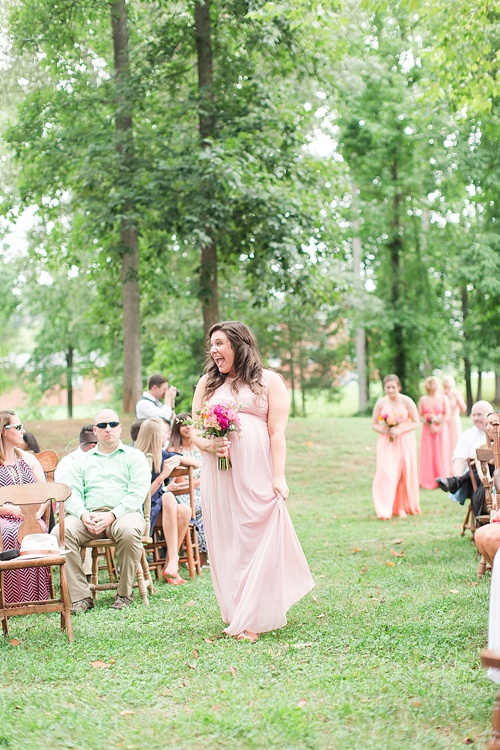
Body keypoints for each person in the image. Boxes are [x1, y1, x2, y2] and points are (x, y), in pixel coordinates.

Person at [191, 320, 314, 643]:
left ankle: (253, 616)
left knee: (254, 535)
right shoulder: (207, 383)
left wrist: (278, 476)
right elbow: (194, 431)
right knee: (228, 540)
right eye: (212, 345)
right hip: (218, 474)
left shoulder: (270, 381)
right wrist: (209, 444)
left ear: (238, 344)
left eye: (220, 343)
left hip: (256, 471)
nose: (214, 350)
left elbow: (277, 432)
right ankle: (238, 611)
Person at [51, 409, 151, 613]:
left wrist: (112, 515)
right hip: (89, 515)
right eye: (103, 426)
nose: (109, 429)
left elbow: (137, 493)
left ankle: (124, 594)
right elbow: (72, 493)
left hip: (124, 514)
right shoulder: (81, 461)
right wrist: (82, 514)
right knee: (60, 532)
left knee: (129, 531)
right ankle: (81, 597)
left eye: (113, 424)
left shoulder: (134, 457)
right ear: (95, 431)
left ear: (120, 428)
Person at [134, 417, 194, 585]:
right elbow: (143, 496)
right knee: (168, 496)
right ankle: (172, 563)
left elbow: (196, 463)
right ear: (154, 435)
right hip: (143, 510)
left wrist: (178, 460)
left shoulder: (163, 455)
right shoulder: (137, 459)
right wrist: (163, 475)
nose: (167, 435)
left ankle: (171, 566)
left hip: (161, 508)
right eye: (163, 433)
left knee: (185, 510)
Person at [0, 410, 50, 604]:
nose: (23, 431)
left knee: (39, 530)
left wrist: (37, 512)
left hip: (30, 516)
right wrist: (8, 510)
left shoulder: (28, 460)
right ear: (4, 431)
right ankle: (11, 599)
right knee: (8, 532)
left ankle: (37, 597)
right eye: (18, 427)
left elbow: (46, 493)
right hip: (3, 518)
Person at [371, 374, 421, 520]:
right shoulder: (380, 403)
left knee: (404, 473)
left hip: (405, 440)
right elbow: (374, 424)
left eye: (393, 387)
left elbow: (416, 422)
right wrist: (386, 430)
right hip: (387, 442)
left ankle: (401, 508)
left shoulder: (407, 401)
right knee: (386, 472)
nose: (391, 390)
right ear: (384, 388)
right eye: (388, 387)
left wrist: (401, 429)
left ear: (398, 387)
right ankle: (384, 507)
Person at [435, 400, 493, 504]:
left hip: (493, 473)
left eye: (479, 414)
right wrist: (458, 474)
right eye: (473, 415)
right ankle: (457, 480)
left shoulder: (496, 433)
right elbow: (459, 457)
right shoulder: (468, 434)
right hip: (475, 480)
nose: (475, 418)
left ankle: (458, 482)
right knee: (473, 467)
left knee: (477, 461)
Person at [169, 412, 207, 566]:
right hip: (183, 494)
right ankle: (200, 557)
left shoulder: (201, 447)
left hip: (201, 490)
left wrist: (201, 482)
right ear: (177, 428)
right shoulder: (175, 450)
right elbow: (182, 481)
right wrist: (201, 481)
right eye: (183, 425)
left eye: (190, 424)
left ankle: (211, 554)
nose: (187, 427)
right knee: (200, 506)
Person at [418, 376, 451, 489]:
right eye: (433, 384)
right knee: (428, 453)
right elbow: (420, 415)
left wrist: (438, 425)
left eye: (437, 383)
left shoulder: (443, 398)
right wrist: (428, 424)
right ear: (428, 385)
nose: (435, 386)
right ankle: (427, 479)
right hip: (427, 430)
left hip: (441, 429)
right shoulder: (423, 399)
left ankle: (442, 477)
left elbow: (447, 414)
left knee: (440, 452)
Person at [442, 375, 466, 461]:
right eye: (444, 385)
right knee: (444, 442)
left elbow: (464, 409)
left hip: (454, 420)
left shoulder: (456, 393)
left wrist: (458, 399)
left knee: (455, 441)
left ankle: (456, 460)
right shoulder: (441, 395)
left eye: (447, 385)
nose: (446, 387)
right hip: (444, 422)